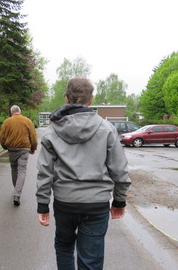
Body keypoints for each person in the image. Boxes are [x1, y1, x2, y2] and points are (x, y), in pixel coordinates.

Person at [35, 78, 131, 270]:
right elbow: (119, 169)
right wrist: (119, 201)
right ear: (91, 99)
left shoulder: (52, 131)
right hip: (96, 205)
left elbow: (45, 171)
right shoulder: (106, 129)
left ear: (66, 97)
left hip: (65, 203)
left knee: (63, 247)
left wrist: (43, 204)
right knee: (91, 260)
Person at [0, 105, 38, 206]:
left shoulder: (7, 122)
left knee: (14, 169)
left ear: (11, 112)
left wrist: (4, 146)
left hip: (12, 149)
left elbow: (2, 137)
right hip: (24, 149)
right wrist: (33, 148)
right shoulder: (27, 121)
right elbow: (33, 136)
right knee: (22, 170)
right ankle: (17, 193)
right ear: (19, 111)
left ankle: (16, 191)